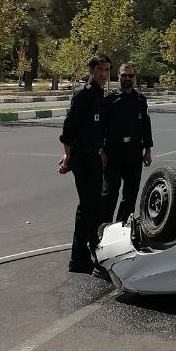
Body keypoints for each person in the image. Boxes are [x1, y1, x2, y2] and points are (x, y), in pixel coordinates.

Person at [59, 54, 110, 273]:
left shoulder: (99, 94)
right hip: (82, 157)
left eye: (107, 69)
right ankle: (96, 256)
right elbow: (68, 129)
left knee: (87, 207)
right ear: (91, 70)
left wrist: (102, 150)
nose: (104, 73)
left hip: (94, 157)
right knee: (91, 207)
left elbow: (97, 129)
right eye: (100, 69)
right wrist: (67, 156)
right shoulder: (84, 95)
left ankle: (79, 258)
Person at [100, 61, 153, 225]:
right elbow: (100, 127)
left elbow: (146, 125)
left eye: (130, 75)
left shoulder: (140, 100)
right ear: (118, 77)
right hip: (113, 150)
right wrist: (101, 150)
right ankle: (103, 228)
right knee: (110, 192)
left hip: (134, 150)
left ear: (134, 78)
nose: (127, 78)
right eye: (124, 75)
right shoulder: (109, 100)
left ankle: (122, 227)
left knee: (131, 193)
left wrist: (148, 150)